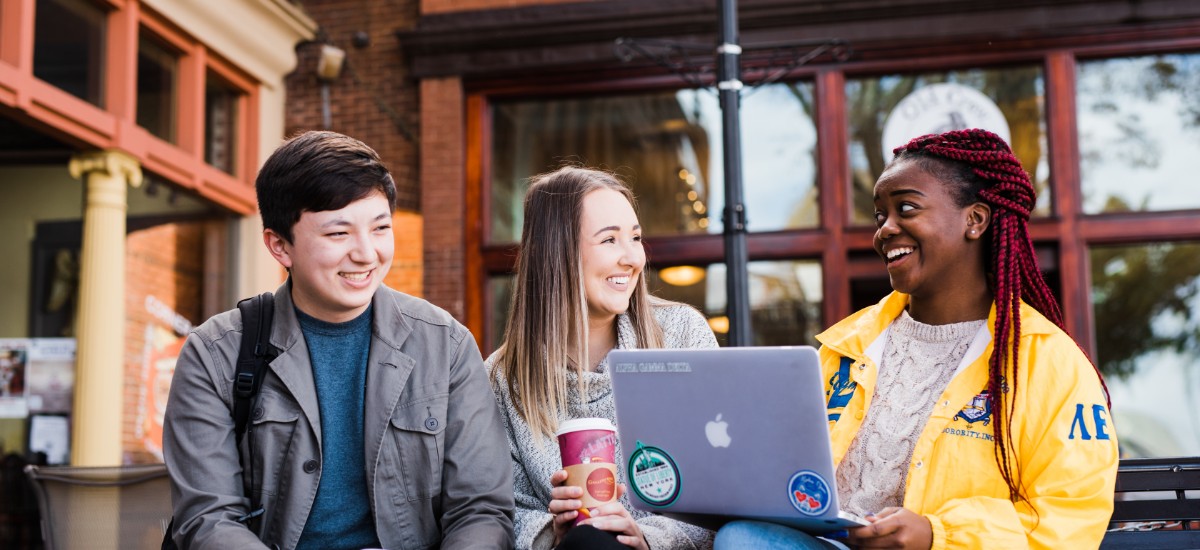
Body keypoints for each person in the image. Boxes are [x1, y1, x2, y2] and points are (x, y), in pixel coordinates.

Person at [715, 128, 1119, 549]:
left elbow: (1071, 519)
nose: (885, 230)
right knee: (741, 537)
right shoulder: (847, 346)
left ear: (975, 220)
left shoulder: (1047, 360)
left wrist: (936, 536)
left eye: (906, 208)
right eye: (879, 216)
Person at [163, 131, 514, 550]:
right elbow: (208, 520)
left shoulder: (446, 345)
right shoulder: (215, 353)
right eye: (338, 234)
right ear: (279, 246)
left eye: (381, 228)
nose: (367, 253)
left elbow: (481, 511)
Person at [488, 166, 719, 550]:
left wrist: (648, 539)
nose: (633, 258)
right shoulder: (503, 378)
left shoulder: (680, 334)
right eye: (610, 240)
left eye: (636, 238)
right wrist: (554, 532)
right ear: (556, 253)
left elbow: (721, 487)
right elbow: (498, 510)